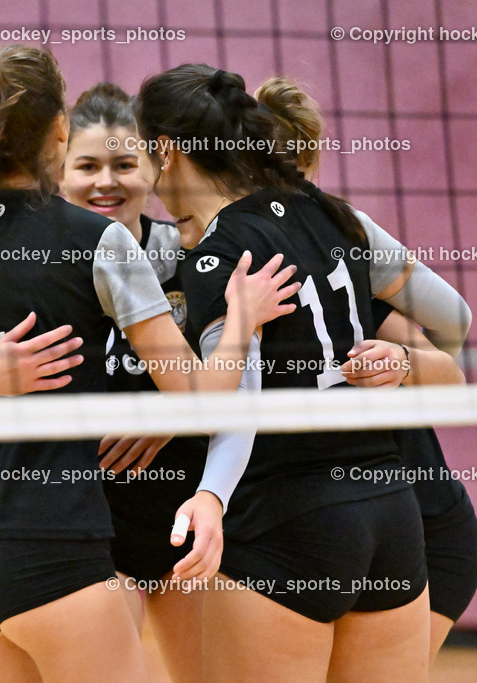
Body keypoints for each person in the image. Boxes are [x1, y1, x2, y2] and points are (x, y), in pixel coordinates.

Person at [0, 45, 299, 683]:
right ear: (59, 132)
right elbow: (201, 396)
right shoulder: (98, 240)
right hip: (53, 545)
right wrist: (242, 323)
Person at [136, 63, 437, 681]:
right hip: (389, 508)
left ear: (165, 152)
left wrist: (211, 495)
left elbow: (234, 406)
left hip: (288, 515)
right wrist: (405, 361)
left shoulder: (223, 251)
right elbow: (449, 316)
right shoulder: (328, 213)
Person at [258, 76, 477, 665]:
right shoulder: (225, 270)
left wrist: (402, 364)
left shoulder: (350, 269)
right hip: (330, 528)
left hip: (427, 528)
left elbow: (452, 367)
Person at [61, 82, 205, 682]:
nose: (106, 182)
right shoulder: (46, 259)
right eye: (87, 165)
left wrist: (169, 416)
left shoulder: (192, 252)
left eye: (124, 164)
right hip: (84, 515)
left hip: (182, 509)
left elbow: (239, 370)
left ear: (154, 165)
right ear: (59, 170)